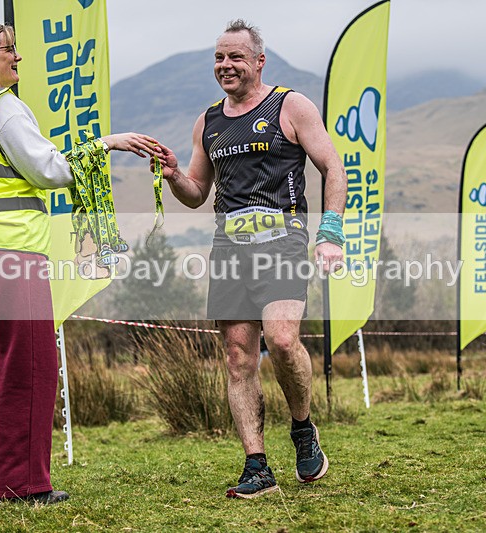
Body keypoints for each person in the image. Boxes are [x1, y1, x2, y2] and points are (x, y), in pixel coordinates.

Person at [0, 22, 158, 506]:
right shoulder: (3, 106)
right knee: (31, 364)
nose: (18, 58)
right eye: (10, 50)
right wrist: (106, 144)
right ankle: (23, 486)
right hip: (10, 251)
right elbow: (49, 169)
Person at [152, 20, 347, 498]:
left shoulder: (291, 105)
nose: (226, 66)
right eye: (219, 58)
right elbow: (197, 193)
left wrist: (330, 233)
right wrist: (175, 174)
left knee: (282, 341)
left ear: (259, 61)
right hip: (229, 248)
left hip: (283, 240)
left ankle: (302, 428)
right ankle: (256, 466)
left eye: (236, 57)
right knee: (238, 357)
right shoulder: (208, 121)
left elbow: (332, 165)